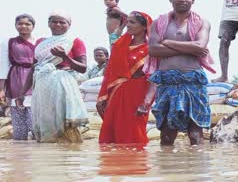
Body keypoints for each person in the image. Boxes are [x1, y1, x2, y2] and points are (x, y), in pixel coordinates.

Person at [147, 0, 214, 146]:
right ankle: (168, 170)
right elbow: (153, 50)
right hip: (167, 82)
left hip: (192, 81)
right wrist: (189, 48)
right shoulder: (160, 23)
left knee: (195, 134)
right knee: (167, 136)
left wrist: (168, 42)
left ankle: (196, 170)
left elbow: (199, 46)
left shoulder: (201, 22)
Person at [97, 11, 155, 145]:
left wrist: (146, 103)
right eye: (127, 22)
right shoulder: (119, 47)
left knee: (134, 130)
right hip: (116, 93)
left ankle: (136, 163)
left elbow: (153, 78)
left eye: (132, 22)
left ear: (144, 26)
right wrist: (103, 96)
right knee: (113, 130)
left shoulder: (150, 49)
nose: (128, 25)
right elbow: (109, 73)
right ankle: (114, 163)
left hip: (137, 95)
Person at [31, 11, 89, 143]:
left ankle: (69, 155)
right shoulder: (41, 42)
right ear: (48, 24)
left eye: (62, 22)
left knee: (64, 119)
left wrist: (65, 57)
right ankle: (49, 154)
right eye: (54, 21)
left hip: (63, 84)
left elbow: (83, 68)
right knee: (46, 118)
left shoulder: (74, 41)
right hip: (42, 84)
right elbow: (35, 65)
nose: (57, 24)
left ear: (69, 25)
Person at [0, 14, 36, 140]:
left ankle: (38, 151)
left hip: (35, 79)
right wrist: (1, 89)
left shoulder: (39, 42)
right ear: (15, 25)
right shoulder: (9, 42)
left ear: (33, 26)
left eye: (27, 24)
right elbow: (3, 66)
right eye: (20, 24)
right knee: (18, 117)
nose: (23, 26)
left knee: (34, 117)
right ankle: (19, 152)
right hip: (16, 78)